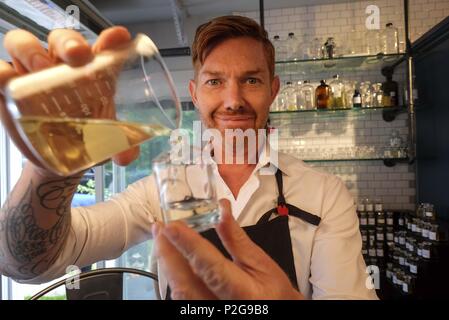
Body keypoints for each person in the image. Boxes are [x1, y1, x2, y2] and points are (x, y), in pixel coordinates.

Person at [0, 15, 378, 300]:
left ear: (273, 90)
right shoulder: (160, 190)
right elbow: (29, 265)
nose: (233, 100)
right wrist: (50, 173)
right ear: (195, 94)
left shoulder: (325, 195)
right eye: (215, 81)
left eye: (251, 79)